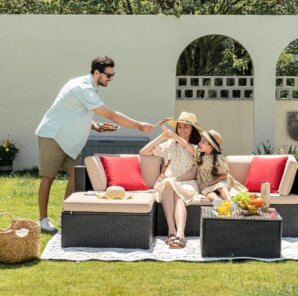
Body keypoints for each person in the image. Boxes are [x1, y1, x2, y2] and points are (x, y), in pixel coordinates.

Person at [35, 56, 155, 232]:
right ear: (96, 72)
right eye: (108, 75)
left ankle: (65, 216)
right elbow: (111, 115)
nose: (110, 79)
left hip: (72, 140)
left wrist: (96, 127)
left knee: (75, 177)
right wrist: (138, 125)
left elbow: (76, 111)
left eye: (113, 75)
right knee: (48, 178)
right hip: (53, 135)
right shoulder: (83, 88)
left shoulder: (91, 86)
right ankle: (43, 220)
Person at [139, 112, 202, 249]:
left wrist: (175, 137)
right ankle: (174, 231)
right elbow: (143, 152)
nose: (182, 130)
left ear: (193, 129)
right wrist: (162, 137)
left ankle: (177, 233)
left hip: (187, 182)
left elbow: (193, 157)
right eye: (180, 127)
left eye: (186, 127)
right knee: (169, 184)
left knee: (175, 190)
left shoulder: (198, 146)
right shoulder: (169, 144)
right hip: (168, 183)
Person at [196, 130, 247, 206]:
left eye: (203, 142)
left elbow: (224, 175)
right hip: (205, 183)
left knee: (221, 186)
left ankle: (229, 202)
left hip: (219, 181)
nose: (199, 143)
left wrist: (210, 183)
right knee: (207, 192)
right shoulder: (199, 156)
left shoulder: (219, 159)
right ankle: (217, 202)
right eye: (200, 141)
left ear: (211, 147)